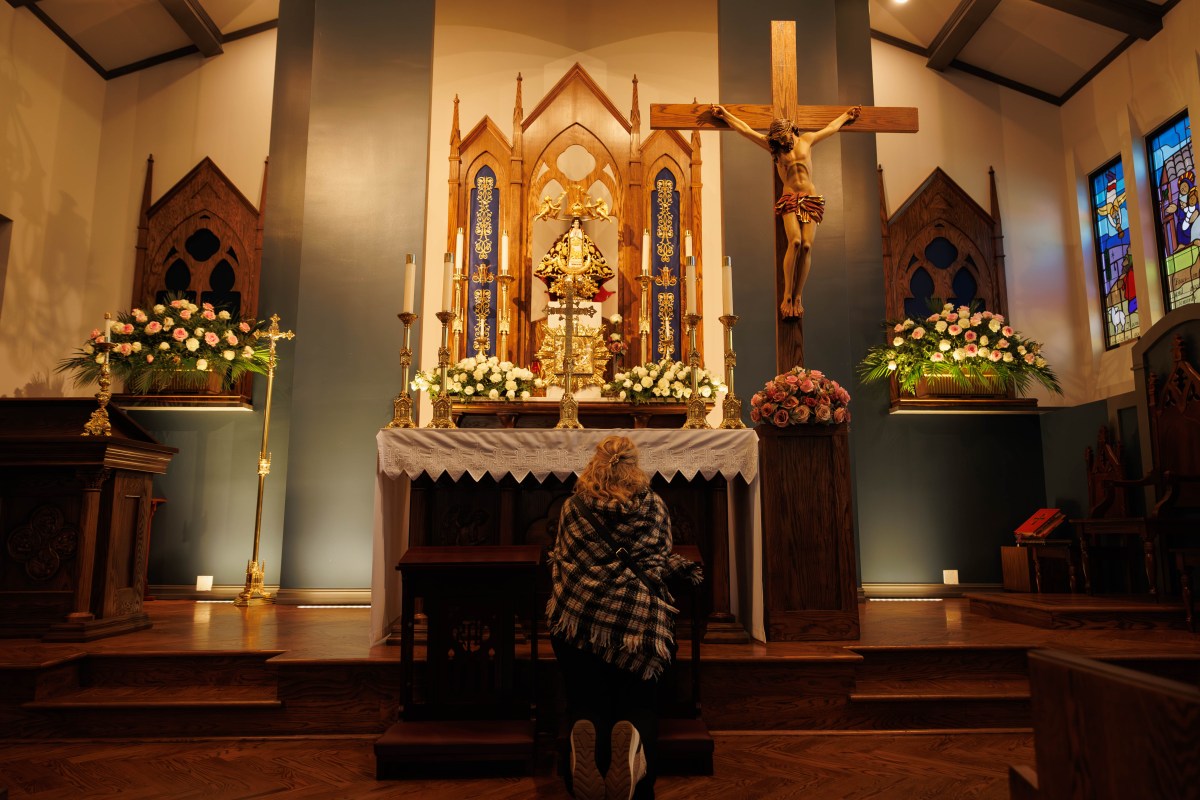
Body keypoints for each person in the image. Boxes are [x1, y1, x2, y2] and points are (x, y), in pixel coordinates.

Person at [547, 435, 703, 800]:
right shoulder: (653, 506)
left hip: (580, 620)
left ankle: (583, 735)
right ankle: (632, 741)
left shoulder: (574, 507)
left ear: (595, 463)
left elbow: (562, 557)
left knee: (585, 700)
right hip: (637, 625)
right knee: (639, 703)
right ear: (635, 465)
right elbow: (660, 560)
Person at [711, 103, 861, 318]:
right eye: (778, 139)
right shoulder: (774, 148)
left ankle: (798, 295)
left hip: (810, 197)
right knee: (796, 242)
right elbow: (745, 130)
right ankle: (787, 294)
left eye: (784, 137)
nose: (783, 142)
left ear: (792, 130)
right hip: (789, 197)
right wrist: (725, 115)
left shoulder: (807, 140)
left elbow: (830, 129)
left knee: (807, 246)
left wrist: (846, 116)